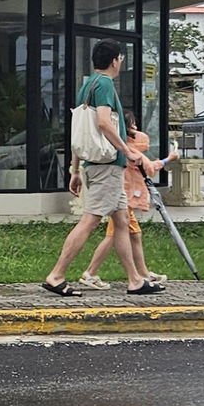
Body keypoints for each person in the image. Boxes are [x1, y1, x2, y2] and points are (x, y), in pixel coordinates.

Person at [41, 40, 164, 297]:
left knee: (121, 222)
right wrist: (128, 151)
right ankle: (56, 275)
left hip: (97, 165)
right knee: (90, 221)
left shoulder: (87, 85)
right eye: (121, 59)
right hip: (107, 166)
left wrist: (75, 170)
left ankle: (135, 280)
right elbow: (104, 123)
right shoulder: (106, 84)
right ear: (115, 60)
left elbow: (80, 131)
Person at [80, 112, 179, 290]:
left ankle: (143, 273)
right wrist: (168, 159)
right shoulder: (130, 149)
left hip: (124, 198)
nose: (136, 129)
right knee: (114, 235)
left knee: (135, 235)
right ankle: (91, 272)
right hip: (123, 198)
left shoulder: (118, 146)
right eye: (133, 125)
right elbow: (149, 168)